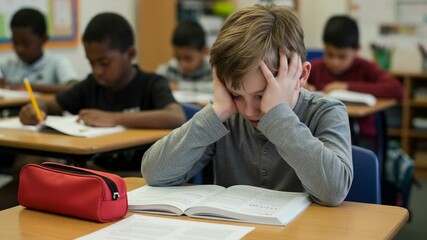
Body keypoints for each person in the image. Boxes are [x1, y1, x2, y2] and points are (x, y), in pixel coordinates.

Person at [141, 4, 353, 206]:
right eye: (236, 94)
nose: (249, 110)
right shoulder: (227, 114)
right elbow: (155, 174)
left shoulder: (327, 111)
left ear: (301, 75)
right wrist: (217, 112)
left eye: (261, 96)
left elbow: (332, 192)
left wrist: (278, 115)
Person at [17, 12, 186, 173]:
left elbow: (176, 116)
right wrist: (35, 108)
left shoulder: (151, 83)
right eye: (91, 63)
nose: (97, 71)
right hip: (95, 173)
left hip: (138, 177)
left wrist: (113, 118)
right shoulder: (91, 85)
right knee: (29, 166)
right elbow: (51, 104)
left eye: (104, 63)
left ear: (130, 54)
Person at [306, 15, 404, 149]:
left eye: (342, 56)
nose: (334, 62)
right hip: (322, 135)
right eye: (329, 54)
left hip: (361, 138)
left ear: (357, 50)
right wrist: (302, 87)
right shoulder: (316, 67)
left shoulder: (365, 67)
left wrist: (347, 86)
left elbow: (397, 89)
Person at [0, 8, 79, 93]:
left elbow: (75, 88)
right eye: (15, 42)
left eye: (25, 44)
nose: (19, 49)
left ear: (44, 39)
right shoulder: (7, 64)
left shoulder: (57, 63)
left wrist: (28, 87)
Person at [156, 20, 213, 93]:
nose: (183, 65)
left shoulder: (214, 70)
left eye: (188, 59)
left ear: (204, 51)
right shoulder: (170, 69)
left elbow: (218, 89)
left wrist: (178, 87)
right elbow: (156, 85)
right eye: (178, 58)